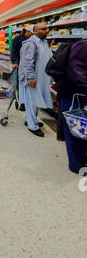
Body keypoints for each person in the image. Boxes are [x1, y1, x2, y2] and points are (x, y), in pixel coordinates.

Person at [52, 40, 87, 174]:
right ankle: (76, 165)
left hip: (79, 95)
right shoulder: (83, 46)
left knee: (80, 129)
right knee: (74, 129)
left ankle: (80, 158)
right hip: (72, 95)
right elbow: (76, 73)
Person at [19, 22, 53, 137]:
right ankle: (32, 126)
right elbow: (27, 63)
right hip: (33, 78)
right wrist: (31, 78)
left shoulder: (43, 42)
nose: (46, 30)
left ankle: (29, 119)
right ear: (36, 31)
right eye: (43, 29)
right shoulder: (31, 43)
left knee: (35, 101)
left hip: (41, 77)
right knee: (31, 102)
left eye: (46, 28)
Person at [10, 24, 34, 111]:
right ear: (27, 31)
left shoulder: (32, 39)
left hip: (29, 65)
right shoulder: (17, 38)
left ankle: (29, 102)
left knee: (28, 84)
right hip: (20, 65)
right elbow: (13, 51)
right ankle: (23, 103)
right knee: (21, 85)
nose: (33, 36)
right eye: (31, 34)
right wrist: (15, 62)